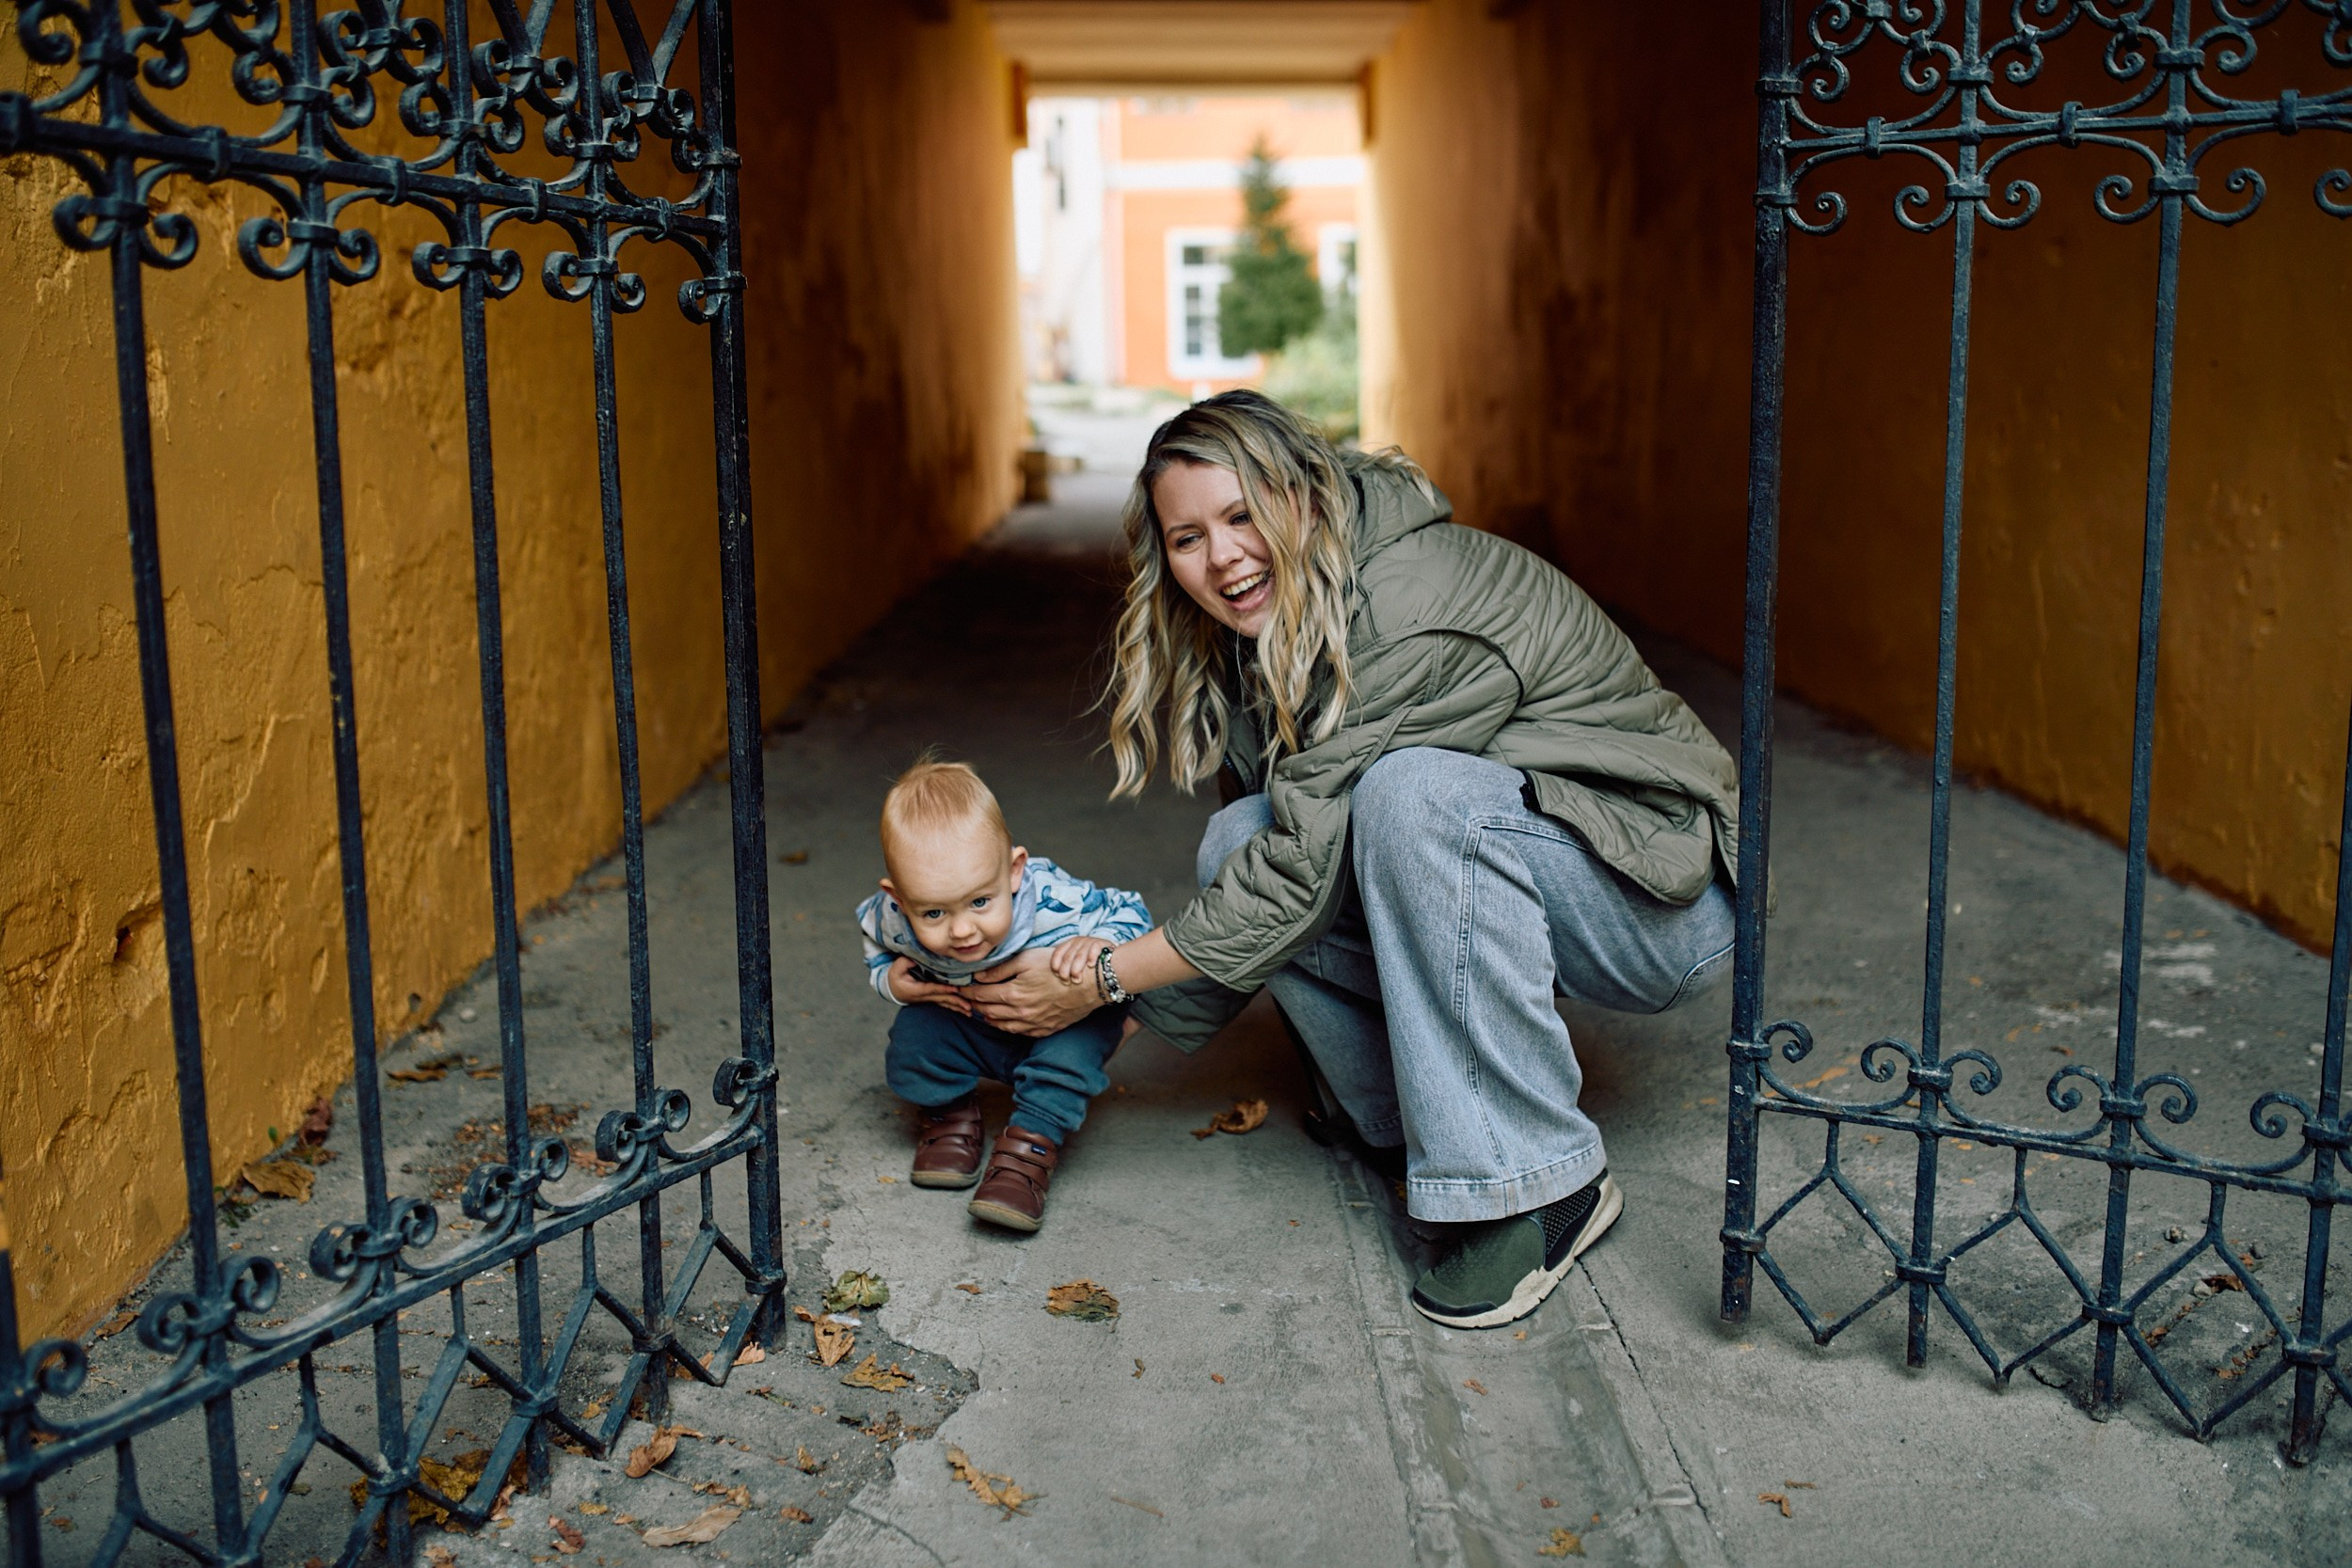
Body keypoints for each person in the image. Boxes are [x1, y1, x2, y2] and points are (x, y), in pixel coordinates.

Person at [963, 389, 1742, 1328]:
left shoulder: (1406, 604)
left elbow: (1306, 868)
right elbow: (1275, 854)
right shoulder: (1276, 607)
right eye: (1187, 537)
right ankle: (1412, 1123)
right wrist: (1106, 1016)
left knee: (1410, 794)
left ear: (1306, 492)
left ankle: (1539, 1181)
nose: (1222, 557)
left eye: (1244, 514)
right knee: (1238, 834)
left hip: (1657, 900)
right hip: (1531, 853)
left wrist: (1099, 974)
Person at [855, 757, 1152, 1232]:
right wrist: (889, 981)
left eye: (980, 902)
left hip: (1061, 1024)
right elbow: (874, 940)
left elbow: (1132, 911)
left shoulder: (1055, 899)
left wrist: (1102, 942)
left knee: (1071, 1056)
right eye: (933, 913)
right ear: (900, 898)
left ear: (1014, 871)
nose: (963, 930)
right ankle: (950, 1116)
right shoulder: (890, 914)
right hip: (975, 1020)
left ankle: (1029, 1148)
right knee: (915, 1034)